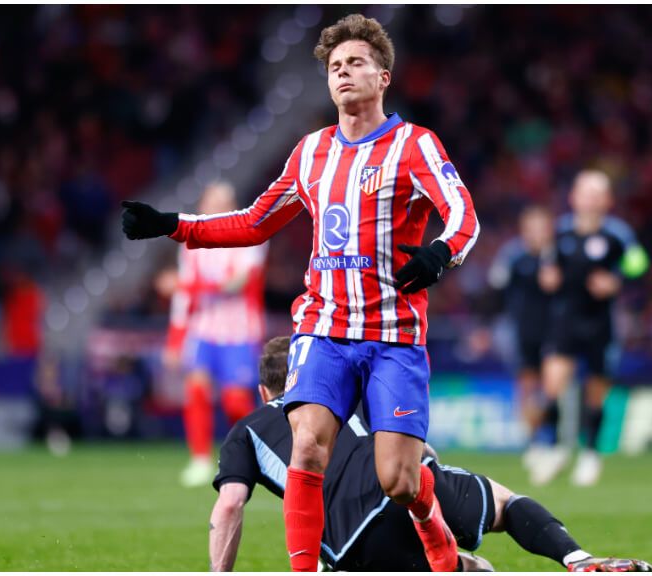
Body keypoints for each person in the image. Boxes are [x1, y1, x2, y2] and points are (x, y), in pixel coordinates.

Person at [122, 14, 479, 572]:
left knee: (399, 480)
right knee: (307, 444)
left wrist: (440, 253)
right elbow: (256, 220)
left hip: (394, 337)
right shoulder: (311, 152)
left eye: (356, 62)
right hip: (324, 328)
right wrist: (175, 224)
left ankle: (433, 526)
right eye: (335, 67)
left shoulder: (414, 145)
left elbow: (464, 215)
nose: (343, 73)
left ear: (383, 76)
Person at [208, 336, 652, 572]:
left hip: (354, 543)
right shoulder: (346, 382)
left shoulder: (244, 432)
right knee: (504, 503)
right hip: (412, 485)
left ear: (264, 389)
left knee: (458, 567)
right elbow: (404, 431)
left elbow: (229, 505)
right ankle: (576, 560)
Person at [531, 170, 649, 487]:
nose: (591, 199)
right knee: (553, 385)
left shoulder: (618, 235)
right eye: (586, 192)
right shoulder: (561, 232)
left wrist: (616, 281)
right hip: (565, 319)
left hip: (600, 321)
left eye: (598, 194)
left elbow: (639, 264)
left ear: (608, 200)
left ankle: (591, 454)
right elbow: (547, 267)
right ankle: (556, 448)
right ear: (574, 198)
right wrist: (548, 278)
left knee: (596, 390)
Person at [165, 181, 267, 487]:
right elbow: (184, 300)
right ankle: (199, 459)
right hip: (203, 330)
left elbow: (237, 283)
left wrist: (185, 286)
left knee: (236, 401)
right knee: (195, 390)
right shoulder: (191, 244)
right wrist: (175, 339)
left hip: (239, 332)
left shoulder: (251, 235)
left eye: (224, 202)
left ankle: (252, 455)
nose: (217, 207)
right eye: (212, 201)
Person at [487, 206, 556, 449]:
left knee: (552, 385)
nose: (537, 234)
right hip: (522, 330)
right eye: (532, 228)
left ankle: (553, 433)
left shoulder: (558, 257)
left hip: (554, 330)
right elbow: (495, 291)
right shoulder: (513, 257)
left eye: (541, 228)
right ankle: (532, 437)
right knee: (526, 384)